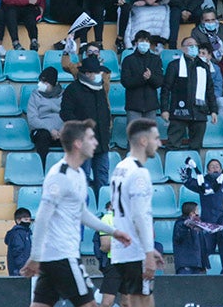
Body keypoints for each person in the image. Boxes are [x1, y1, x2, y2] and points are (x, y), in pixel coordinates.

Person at [0, 120, 137, 307]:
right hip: (61, 256)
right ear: (77, 143)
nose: (95, 142)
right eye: (90, 137)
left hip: (55, 258)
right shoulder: (59, 174)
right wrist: (36, 256)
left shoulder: (77, 175)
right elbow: (41, 217)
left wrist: (111, 230)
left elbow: (81, 213)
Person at [102, 118, 162, 307]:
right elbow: (139, 215)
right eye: (156, 138)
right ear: (142, 140)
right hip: (135, 250)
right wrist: (149, 251)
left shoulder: (120, 168)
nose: (159, 144)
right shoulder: (139, 172)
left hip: (122, 249)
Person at [60, 57, 111, 194]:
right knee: (83, 178)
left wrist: (106, 133)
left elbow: (105, 111)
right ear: (87, 73)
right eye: (95, 72)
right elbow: (65, 113)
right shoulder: (73, 90)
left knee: (103, 177)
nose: (99, 75)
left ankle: (103, 207)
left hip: (102, 141)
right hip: (82, 143)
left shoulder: (100, 88)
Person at [161, 36, 218, 150]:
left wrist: (213, 110)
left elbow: (210, 90)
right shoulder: (175, 65)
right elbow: (166, 89)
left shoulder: (204, 66)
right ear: (182, 49)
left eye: (195, 46)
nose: (194, 48)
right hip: (179, 111)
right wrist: (165, 109)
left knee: (196, 147)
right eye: (190, 45)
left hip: (199, 112)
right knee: (173, 145)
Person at [121, 30, 164, 123]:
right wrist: (142, 78)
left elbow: (159, 81)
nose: (144, 43)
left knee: (150, 135)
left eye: (147, 41)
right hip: (133, 105)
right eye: (141, 41)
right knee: (134, 135)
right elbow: (126, 82)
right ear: (136, 43)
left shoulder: (156, 59)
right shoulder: (128, 60)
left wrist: (150, 77)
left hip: (151, 106)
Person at [27, 67, 63, 166]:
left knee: (74, 136)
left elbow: (69, 115)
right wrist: (51, 130)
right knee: (42, 136)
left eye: (46, 83)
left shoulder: (64, 95)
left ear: (54, 84)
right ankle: (43, 169)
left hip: (61, 132)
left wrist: (63, 129)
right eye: (41, 81)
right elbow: (32, 119)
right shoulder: (35, 95)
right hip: (42, 132)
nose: (41, 85)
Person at [172, 201, 208, 274]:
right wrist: (186, 227)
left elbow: (201, 245)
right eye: (197, 210)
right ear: (192, 213)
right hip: (185, 263)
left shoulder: (198, 226)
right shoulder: (180, 224)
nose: (198, 213)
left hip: (198, 264)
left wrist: (204, 263)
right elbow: (178, 238)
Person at [5, 207, 33, 276]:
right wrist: (22, 268)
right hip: (19, 271)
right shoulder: (17, 234)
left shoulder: (27, 233)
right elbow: (18, 252)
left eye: (29, 219)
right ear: (18, 220)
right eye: (26, 219)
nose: (28, 222)